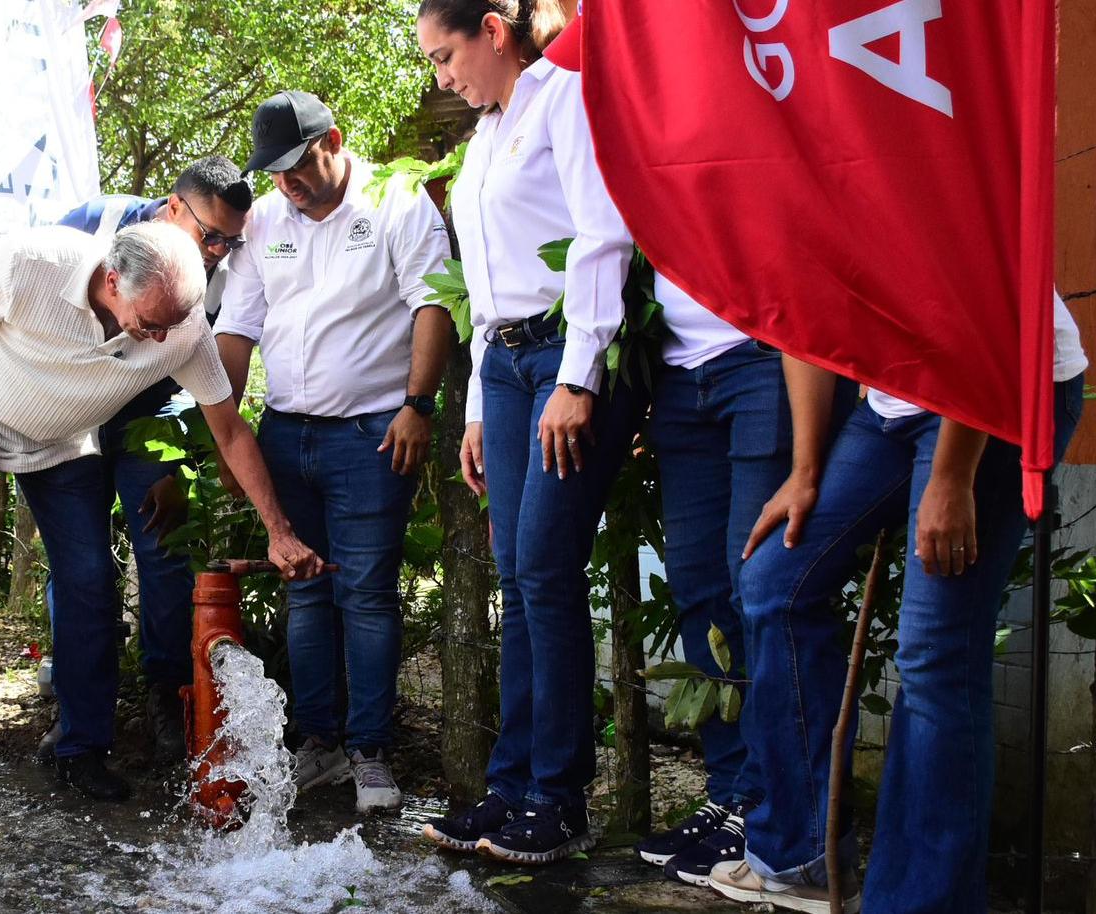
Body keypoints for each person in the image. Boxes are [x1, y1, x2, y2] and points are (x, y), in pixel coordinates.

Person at [0, 220, 324, 816]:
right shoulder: (32, 261)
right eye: (150, 323)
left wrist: (280, 531)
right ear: (113, 281)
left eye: (172, 325)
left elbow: (231, 429)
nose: (163, 340)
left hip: (58, 446)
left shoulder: (180, 329)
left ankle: (80, 747)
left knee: (89, 585)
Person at [531, 12, 860, 887]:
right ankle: (730, 794)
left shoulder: (749, 94)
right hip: (681, 372)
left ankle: (784, 813)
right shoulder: (635, 118)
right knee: (704, 592)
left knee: (761, 585)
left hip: (763, 360)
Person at [710, 295, 1087, 912]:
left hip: (999, 385)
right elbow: (803, 311)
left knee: (935, 652)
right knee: (776, 581)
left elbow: (983, 300)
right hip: (894, 401)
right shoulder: (796, 197)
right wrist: (805, 471)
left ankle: (921, 903)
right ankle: (799, 856)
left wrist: (952, 476)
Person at [411, 0, 642, 864]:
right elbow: (486, 280)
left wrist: (579, 375)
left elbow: (603, 234)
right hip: (503, 371)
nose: (441, 76)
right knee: (517, 573)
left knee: (544, 569)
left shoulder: (562, 101)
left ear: (493, 33)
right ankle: (511, 788)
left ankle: (559, 797)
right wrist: (474, 408)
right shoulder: (481, 140)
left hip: (562, 358)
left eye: (445, 55)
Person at [216, 91, 453, 813]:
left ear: (333, 141)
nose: (285, 179)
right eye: (274, 168)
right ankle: (317, 744)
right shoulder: (262, 222)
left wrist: (418, 406)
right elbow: (236, 327)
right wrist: (225, 432)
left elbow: (434, 302)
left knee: (368, 594)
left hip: (372, 432)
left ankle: (371, 752)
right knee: (307, 590)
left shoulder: (397, 199)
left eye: (296, 163)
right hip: (285, 433)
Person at [51, 155, 253, 764]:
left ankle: (167, 694)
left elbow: (210, 381)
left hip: (155, 412)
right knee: (78, 561)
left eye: (230, 240)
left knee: (164, 552)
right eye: (210, 234)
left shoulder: (227, 271)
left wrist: (182, 467)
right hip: (75, 410)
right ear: (172, 207)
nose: (218, 250)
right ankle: (78, 707)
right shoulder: (91, 222)